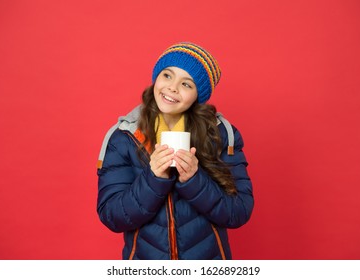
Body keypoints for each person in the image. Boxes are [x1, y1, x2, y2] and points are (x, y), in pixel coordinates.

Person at [96, 42, 254, 260]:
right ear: (156, 77)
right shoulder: (124, 137)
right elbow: (112, 216)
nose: (172, 87)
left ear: (198, 95)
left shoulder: (221, 135)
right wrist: (154, 179)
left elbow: (239, 212)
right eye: (167, 75)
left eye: (186, 84)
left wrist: (194, 180)